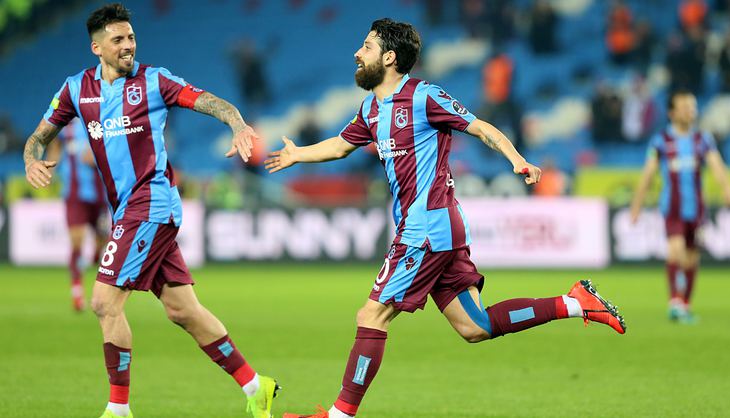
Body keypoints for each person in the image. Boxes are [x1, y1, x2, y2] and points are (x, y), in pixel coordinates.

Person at [266, 18, 627, 418]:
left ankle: (339, 415)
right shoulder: (371, 108)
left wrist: (517, 159)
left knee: (371, 315)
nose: (357, 53)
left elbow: (480, 127)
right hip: (440, 229)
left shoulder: (424, 96)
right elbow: (340, 146)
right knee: (475, 327)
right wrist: (297, 154)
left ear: (390, 57)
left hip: (425, 227)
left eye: (366, 47)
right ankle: (575, 303)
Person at [22, 4, 278, 418]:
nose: (128, 46)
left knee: (104, 302)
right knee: (183, 310)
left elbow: (209, 101)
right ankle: (255, 385)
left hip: (151, 203)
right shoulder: (75, 89)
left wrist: (236, 123)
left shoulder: (154, 81)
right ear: (97, 47)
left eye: (131, 37)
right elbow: (38, 136)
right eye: (118, 40)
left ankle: (118, 409)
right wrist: (31, 159)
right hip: (128, 209)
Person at [630, 90, 730, 322]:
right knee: (675, 251)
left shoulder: (703, 139)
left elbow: (716, 165)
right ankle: (674, 302)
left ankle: (685, 304)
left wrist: (727, 188)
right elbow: (647, 175)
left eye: (693, 107)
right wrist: (636, 206)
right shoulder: (661, 141)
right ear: (672, 113)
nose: (690, 112)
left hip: (696, 210)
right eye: (685, 107)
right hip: (672, 208)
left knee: (691, 258)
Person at [46, 118, 109, 311]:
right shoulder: (67, 127)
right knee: (76, 241)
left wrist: (98, 155)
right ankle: (77, 293)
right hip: (74, 196)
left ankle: (95, 257)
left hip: (101, 196)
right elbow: (55, 146)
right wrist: (49, 170)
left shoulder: (103, 122)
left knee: (102, 243)